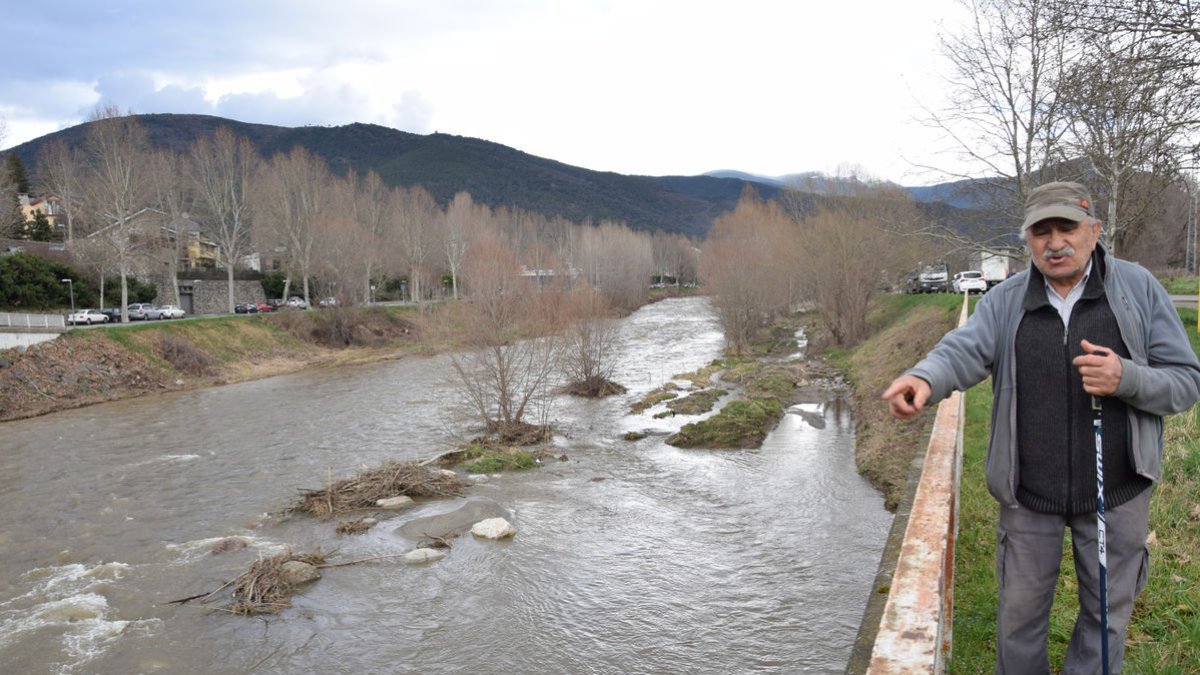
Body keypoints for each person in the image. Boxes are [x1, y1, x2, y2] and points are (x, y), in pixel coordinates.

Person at [881, 181, 1200, 674]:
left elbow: (1185, 381)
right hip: (1028, 497)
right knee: (1018, 623)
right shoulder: (1007, 300)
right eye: (1041, 232)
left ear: (1094, 231)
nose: (1055, 242)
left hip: (1117, 494)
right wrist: (925, 378)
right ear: (1026, 240)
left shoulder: (1137, 290)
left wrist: (1126, 378)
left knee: (1106, 621)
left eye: (1067, 228)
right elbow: (963, 350)